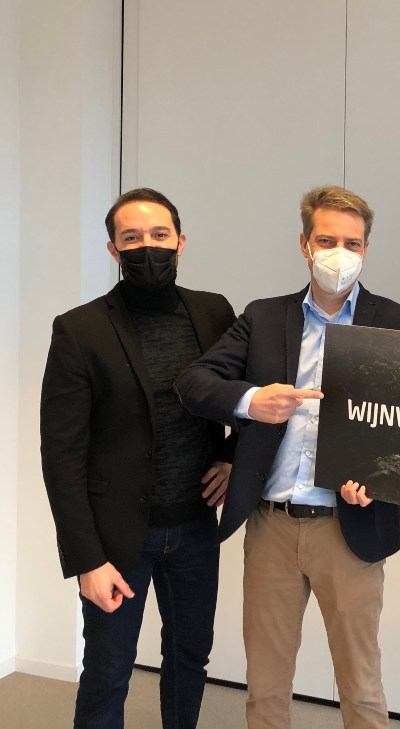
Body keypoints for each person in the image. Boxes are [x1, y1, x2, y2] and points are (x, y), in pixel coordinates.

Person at [174, 185, 400, 729]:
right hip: (272, 525)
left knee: (361, 684)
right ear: (305, 244)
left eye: (352, 243)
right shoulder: (264, 317)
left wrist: (382, 480)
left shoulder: (399, 323)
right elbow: (194, 382)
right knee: (265, 685)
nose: (340, 254)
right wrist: (251, 401)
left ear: (366, 249)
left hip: (350, 526)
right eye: (327, 241)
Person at [40, 188, 236, 729]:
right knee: (108, 671)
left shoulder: (214, 312)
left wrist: (232, 456)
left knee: (189, 660)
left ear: (180, 241)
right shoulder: (79, 329)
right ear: (113, 249)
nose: (147, 246)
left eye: (159, 234)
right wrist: (85, 560)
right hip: (117, 539)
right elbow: (61, 454)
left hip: (196, 527)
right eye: (131, 238)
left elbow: (246, 394)